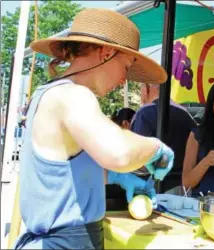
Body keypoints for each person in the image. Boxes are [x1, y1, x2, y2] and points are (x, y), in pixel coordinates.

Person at [15, 8, 174, 249]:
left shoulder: (49, 92)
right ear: (107, 53)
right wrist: (155, 148)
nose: (125, 79)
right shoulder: (73, 95)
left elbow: (64, 173)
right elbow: (119, 153)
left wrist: (118, 177)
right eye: (126, 67)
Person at [130, 83, 196, 192]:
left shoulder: (144, 113)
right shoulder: (186, 115)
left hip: (148, 185)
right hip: (181, 187)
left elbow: (137, 155)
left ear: (146, 89)